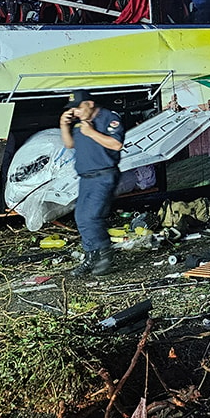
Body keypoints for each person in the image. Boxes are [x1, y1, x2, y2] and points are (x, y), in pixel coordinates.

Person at [60, 89, 125, 277]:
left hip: (103, 175)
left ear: (89, 104)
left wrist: (91, 132)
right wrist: (64, 126)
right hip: (85, 178)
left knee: (92, 217)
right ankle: (91, 257)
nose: (76, 113)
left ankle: (104, 254)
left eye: (78, 108)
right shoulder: (81, 124)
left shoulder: (109, 118)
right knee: (81, 218)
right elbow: (69, 144)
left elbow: (116, 144)